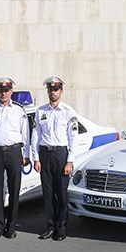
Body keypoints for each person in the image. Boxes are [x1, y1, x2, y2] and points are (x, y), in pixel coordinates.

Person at [0, 76, 30, 240]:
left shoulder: (18, 109)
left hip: (14, 152)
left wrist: (27, 155)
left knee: (14, 189)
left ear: (11, 91)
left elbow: (26, 134)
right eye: (1, 90)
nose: (4, 93)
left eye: (7, 90)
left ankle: (11, 226)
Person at [31, 76, 78, 241]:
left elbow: (73, 138)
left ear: (61, 91)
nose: (53, 92)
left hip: (60, 155)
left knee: (61, 194)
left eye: (56, 89)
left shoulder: (68, 112)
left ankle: (62, 228)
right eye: (50, 89)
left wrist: (70, 161)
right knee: (48, 193)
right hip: (45, 154)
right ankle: (50, 226)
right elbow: (35, 135)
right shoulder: (41, 111)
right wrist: (36, 158)